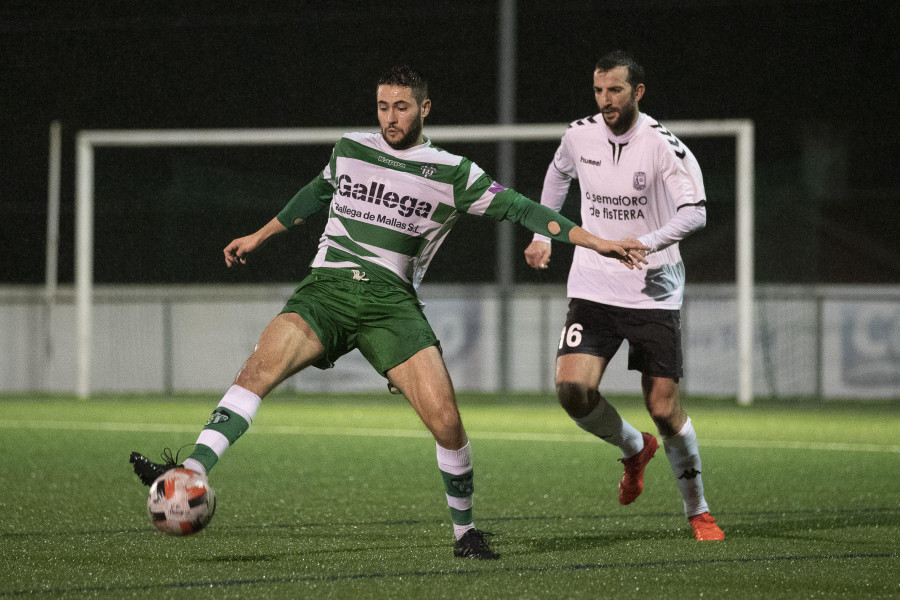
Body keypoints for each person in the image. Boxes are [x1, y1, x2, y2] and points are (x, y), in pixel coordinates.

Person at [130, 65, 649, 560]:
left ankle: (465, 532)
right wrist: (259, 236)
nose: (390, 117)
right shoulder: (350, 149)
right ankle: (190, 472)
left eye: (401, 107)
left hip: (390, 305)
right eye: (382, 106)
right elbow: (314, 194)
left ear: (425, 108)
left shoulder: (452, 172)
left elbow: (522, 209)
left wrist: (596, 241)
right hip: (326, 292)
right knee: (256, 372)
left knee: (447, 423)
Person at [524, 51, 725, 541]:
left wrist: (649, 241)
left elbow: (695, 212)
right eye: (598, 91)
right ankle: (635, 448)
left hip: (653, 289)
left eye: (614, 91)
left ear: (638, 92)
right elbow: (557, 175)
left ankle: (697, 510)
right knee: (572, 391)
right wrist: (544, 234)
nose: (605, 100)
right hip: (592, 284)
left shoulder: (662, 146)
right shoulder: (579, 134)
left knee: (663, 408)